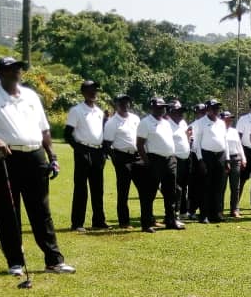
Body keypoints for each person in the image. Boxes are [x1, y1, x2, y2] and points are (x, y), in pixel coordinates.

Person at [0, 56, 75, 275]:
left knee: (42, 210)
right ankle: (15, 262)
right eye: (10, 69)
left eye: (18, 68)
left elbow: (44, 130)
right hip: (4, 157)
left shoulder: (31, 96)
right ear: (0, 73)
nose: (16, 72)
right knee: (7, 211)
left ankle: (53, 260)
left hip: (35, 155)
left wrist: (52, 156)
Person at [135, 97, 183, 233]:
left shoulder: (166, 122)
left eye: (163, 107)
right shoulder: (145, 122)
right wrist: (146, 161)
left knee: (171, 192)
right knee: (149, 193)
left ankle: (170, 220)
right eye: (158, 107)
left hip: (170, 159)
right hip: (154, 160)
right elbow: (140, 144)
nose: (161, 109)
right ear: (152, 107)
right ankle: (147, 223)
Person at [65, 79, 107, 231]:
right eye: (90, 90)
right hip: (83, 150)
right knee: (81, 188)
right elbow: (67, 134)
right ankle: (77, 223)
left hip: (97, 152)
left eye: (95, 90)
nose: (93, 93)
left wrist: (103, 152)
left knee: (98, 188)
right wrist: (79, 149)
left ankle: (99, 221)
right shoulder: (76, 110)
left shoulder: (99, 112)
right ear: (83, 92)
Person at [100, 94, 139, 229]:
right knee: (123, 191)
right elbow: (107, 144)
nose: (125, 105)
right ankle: (124, 221)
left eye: (127, 102)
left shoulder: (135, 118)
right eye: (122, 103)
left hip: (137, 156)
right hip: (122, 157)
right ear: (116, 105)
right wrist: (116, 160)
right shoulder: (112, 122)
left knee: (145, 189)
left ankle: (149, 218)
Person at [191, 99, 230, 223]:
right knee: (205, 186)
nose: (215, 110)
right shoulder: (200, 123)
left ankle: (217, 214)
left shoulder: (221, 123)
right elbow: (196, 144)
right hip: (206, 156)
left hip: (221, 155)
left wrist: (227, 159)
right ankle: (204, 215)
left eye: (217, 108)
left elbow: (225, 141)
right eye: (213, 108)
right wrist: (200, 160)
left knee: (219, 186)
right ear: (207, 109)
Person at [167, 100, 191, 219]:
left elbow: (186, 136)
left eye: (182, 112)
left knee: (183, 186)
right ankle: (174, 213)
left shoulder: (182, 123)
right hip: (174, 158)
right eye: (178, 112)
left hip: (185, 158)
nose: (181, 114)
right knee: (175, 188)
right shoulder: (167, 124)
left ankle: (182, 211)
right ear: (171, 112)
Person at [221, 111, 246, 218]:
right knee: (222, 186)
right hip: (223, 159)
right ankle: (219, 209)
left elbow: (239, 145)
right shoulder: (219, 130)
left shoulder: (234, 131)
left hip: (236, 158)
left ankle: (234, 209)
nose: (229, 120)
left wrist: (243, 158)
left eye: (230, 119)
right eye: (227, 118)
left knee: (235, 186)